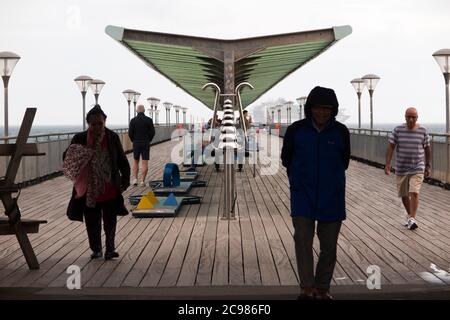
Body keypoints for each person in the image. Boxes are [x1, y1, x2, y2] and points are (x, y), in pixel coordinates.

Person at [281, 86, 350, 300]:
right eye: (318, 108)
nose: (322, 113)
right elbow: (286, 159)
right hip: (303, 195)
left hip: (332, 196)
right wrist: (297, 180)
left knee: (329, 246)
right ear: (310, 108)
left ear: (333, 110)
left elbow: (345, 161)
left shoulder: (340, 132)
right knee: (302, 240)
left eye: (327, 109)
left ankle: (323, 288)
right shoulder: (296, 130)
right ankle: (307, 288)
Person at [63, 105, 130, 260]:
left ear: (105, 121)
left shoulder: (112, 137)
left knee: (110, 221)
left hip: (110, 186)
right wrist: (81, 154)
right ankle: (96, 249)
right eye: (94, 124)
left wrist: (125, 181)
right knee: (92, 222)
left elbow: (121, 160)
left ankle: (110, 249)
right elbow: (68, 158)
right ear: (88, 124)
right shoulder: (79, 138)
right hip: (89, 189)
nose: (98, 127)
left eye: (100, 123)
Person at [385, 107, 431, 230]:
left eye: (413, 117)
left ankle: (411, 218)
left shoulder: (423, 131)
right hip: (401, 168)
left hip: (417, 166)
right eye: (408, 117)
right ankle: (410, 217)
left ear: (417, 117)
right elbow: (391, 146)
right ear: (405, 117)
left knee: (414, 192)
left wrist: (428, 165)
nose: (411, 119)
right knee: (404, 194)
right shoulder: (398, 130)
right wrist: (388, 164)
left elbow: (427, 149)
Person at [128, 104, 155, 186]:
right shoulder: (149, 120)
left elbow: (130, 133)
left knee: (136, 161)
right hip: (145, 143)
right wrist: (148, 140)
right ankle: (143, 181)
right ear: (144, 111)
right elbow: (152, 133)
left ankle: (135, 179)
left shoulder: (133, 120)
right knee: (144, 162)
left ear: (137, 111)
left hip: (136, 143)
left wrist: (134, 140)